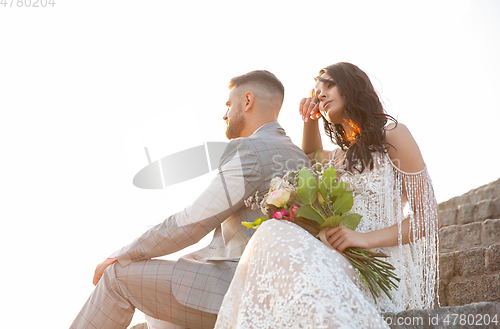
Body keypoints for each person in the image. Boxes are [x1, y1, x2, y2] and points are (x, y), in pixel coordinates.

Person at [70, 70, 309, 329]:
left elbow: (192, 222)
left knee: (117, 277)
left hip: (240, 288)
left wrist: (119, 255)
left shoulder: (250, 150)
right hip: (282, 290)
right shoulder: (303, 159)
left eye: (229, 104)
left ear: (248, 101)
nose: (225, 114)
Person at [214, 62, 439, 328]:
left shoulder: (393, 135)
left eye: (329, 85)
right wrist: (310, 121)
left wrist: (363, 239)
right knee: (271, 231)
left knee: (274, 236)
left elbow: (428, 216)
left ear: (353, 86)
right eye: (317, 90)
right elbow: (309, 159)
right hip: (339, 260)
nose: (320, 94)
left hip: (378, 266)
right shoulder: (341, 156)